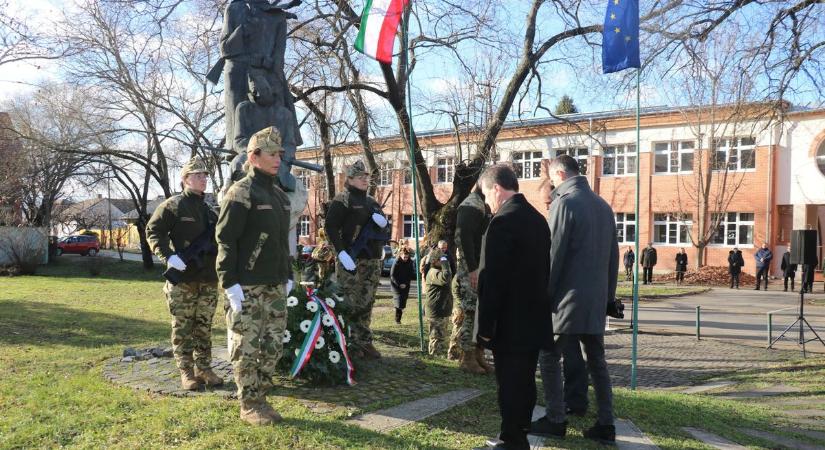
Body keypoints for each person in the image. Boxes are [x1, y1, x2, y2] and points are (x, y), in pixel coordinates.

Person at [532, 155, 619, 445]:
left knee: (549, 354)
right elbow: (613, 259)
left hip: (567, 300)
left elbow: (553, 255)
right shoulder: (603, 207)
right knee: (597, 361)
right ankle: (606, 423)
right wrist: (608, 297)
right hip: (595, 301)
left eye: (552, 177)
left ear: (559, 173)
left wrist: (543, 294)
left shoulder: (564, 203)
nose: (552, 182)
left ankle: (556, 418)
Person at [215, 127, 292, 425]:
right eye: (272, 154)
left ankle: (260, 397)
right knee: (246, 347)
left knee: (273, 346)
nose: (278, 160)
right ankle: (248, 404)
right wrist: (229, 282)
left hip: (274, 284)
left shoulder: (278, 195)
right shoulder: (240, 192)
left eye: (280, 155)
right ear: (253, 157)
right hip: (246, 285)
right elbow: (225, 240)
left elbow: (279, 241)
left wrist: (286, 274)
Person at [474, 164, 552, 450]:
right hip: (534, 319)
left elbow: (491, 281)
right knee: (525, 381)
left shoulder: (502, 222)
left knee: (509, 383)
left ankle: (512, 440)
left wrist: (483, 329)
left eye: (485, 195)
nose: (485, 202)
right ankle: (517, 434)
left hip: (509, 322)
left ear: (497, 189)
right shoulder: (537, 219)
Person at [146, 156, 224, 391]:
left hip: (208, 279)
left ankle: (204, 368)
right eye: (198, 176)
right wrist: (168, 256)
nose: (203, 179)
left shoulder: (210, 212)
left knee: (204, 326)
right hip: (183, 281)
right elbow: (154, 231)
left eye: (205, 176)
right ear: (185, 179)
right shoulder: (173, 205)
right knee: (182, 327)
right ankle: (186, 372)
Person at [324, 160, 389, 360]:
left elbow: (384, 228)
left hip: (372, 259)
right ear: (349, 178)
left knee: (366, 301)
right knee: (348, 302)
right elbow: (331, 228)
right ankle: (346, 342)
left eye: (366, 177)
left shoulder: (371, 202)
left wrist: (383, 222)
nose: (364, 180)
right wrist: (341, 253)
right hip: (350, 260)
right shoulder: (342, 200)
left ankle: (363, 341)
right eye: (360, 177)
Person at [448, 182, 493, 375]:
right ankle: (466, 357)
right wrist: (473, 268)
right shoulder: (471, 203)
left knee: (479, 312)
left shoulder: (483, 203)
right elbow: (462, 236)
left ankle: (477, 353)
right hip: (470, 269)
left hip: (480, 266)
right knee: (469, 311)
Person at [425, 250, 453, 356]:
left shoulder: (438, 271)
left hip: (442, 310)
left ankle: (439, 357)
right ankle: (434, 359)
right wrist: (445, 262)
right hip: (436, 311)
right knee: (436, 338)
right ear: (435, 261)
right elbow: (446, 277)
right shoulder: (433, 273)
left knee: (441, 337)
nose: (442, 262)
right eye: (440, 259)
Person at [390, 248, 415, 324]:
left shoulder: (410, 262)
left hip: (406, 285)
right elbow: (392, 275)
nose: (405, 259)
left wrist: (406, 283)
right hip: (396, 286)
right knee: (399, 302)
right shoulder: (396, 262)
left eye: (407, 257)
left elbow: (410, 274)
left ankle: (398, 316)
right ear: (400, 255)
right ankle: (397, 320)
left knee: (403, 302)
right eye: (404, 257)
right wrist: (399, 284)